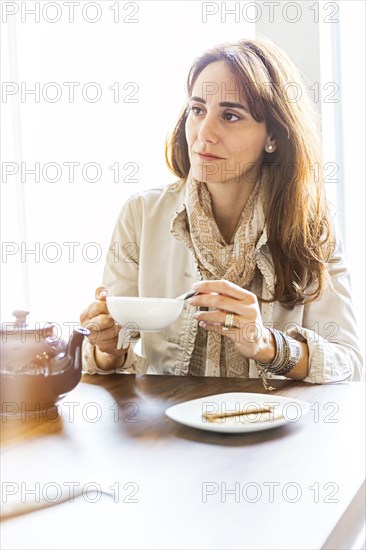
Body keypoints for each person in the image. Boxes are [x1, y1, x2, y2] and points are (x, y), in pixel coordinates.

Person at [80, 36, 363, 389]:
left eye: (230, 115)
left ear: (272, 136)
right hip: (168, 430)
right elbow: (109, 358)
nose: (204, 133)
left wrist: (267, 345)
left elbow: (349, 363)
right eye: (198, 110)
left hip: (274, 431)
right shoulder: (141, 214)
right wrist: (107, 347)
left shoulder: (311, 225)